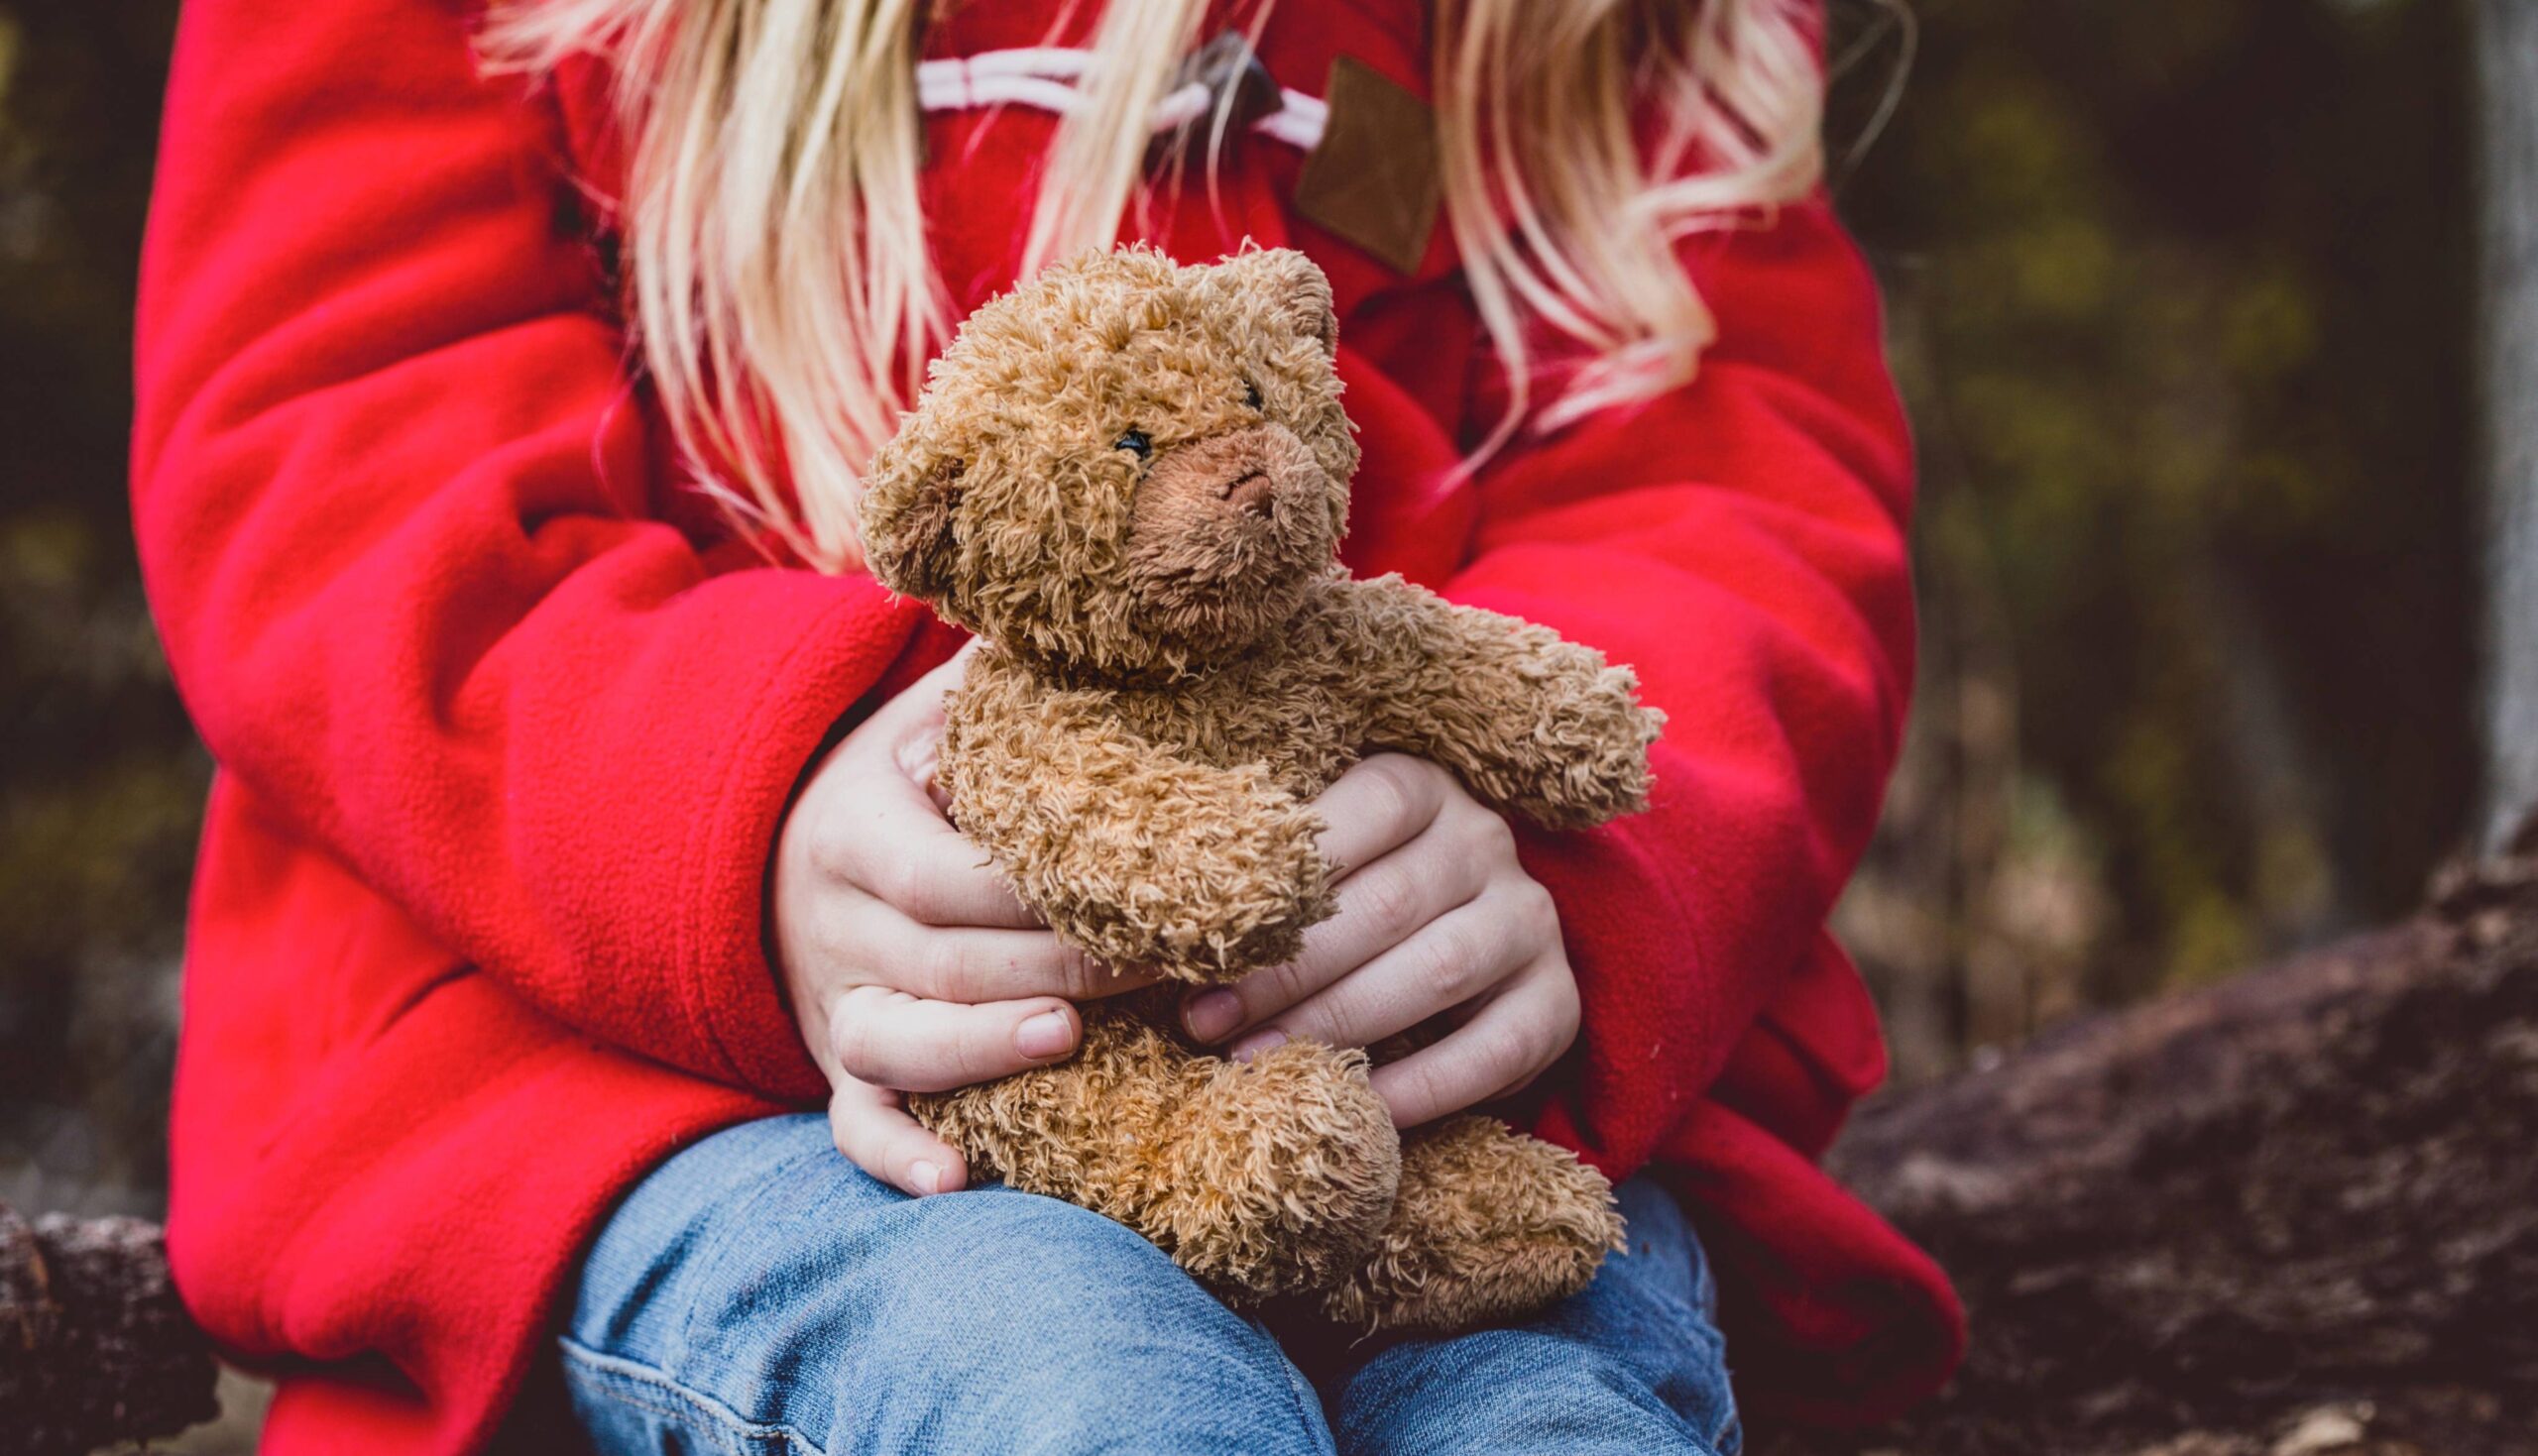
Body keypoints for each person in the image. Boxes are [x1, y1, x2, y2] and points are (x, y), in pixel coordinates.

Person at [130, 1, 1964, 1452]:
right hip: (662, 1086)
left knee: (1536, 1413)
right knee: (1073, 1382)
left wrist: (1548, 873)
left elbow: (1734, 476)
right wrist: (741, 817)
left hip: (1436, 1099)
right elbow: (339, 451)